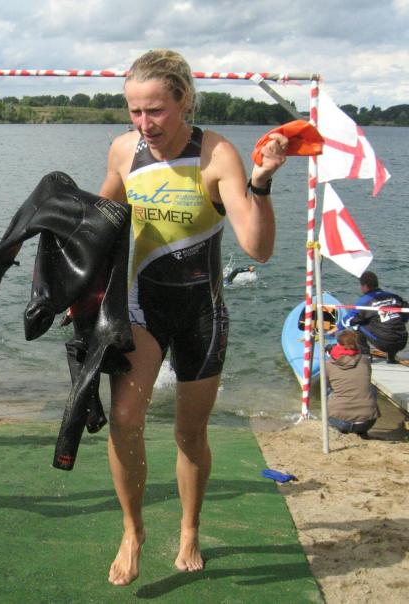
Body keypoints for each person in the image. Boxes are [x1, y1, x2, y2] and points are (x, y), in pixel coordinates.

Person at [98, 49, 289, 586]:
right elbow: (100, 220)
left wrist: (261, 181)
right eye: (135, 111)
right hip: (142, 306)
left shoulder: (217, 155)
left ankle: (189, 530)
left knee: (189, 433)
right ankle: (133, 530)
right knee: (125, 420)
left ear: (183, 101)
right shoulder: (123, 151)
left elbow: (257, 248)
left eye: (155, 110)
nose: (144, 123)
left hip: (202, 313)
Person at [341, 270, 407, 363]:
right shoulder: (393, 296)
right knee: (389, 323)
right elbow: (406, 310)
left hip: (384, 344)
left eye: (361, 286)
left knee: (357, 325)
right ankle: (391, 357)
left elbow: (349, 320)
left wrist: (338, 327)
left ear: (365, 286)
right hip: (402, 341)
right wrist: (401, 320)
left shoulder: (366, 300)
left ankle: (366, 356)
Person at [325, 330, 380, 438]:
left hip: (341, 422)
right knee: (371, 387)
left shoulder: (329, 364)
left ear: (338, 344)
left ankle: (337, 428)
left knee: (327, 390)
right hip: (367, 423)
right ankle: (362, 432)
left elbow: (327, 385)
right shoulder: (365, 360)